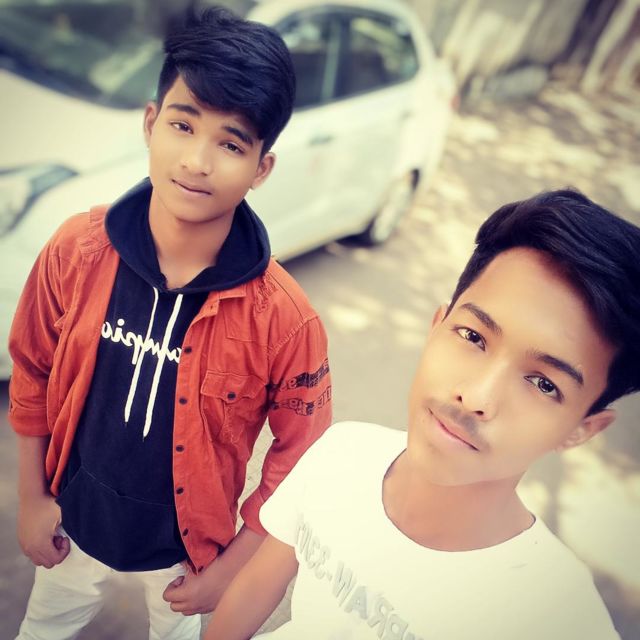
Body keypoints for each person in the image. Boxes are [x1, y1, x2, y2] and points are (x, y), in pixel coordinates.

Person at [8, 7, 332, 640]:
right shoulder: (77, 249)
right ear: (151, 123)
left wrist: (230, 569)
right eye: (183, 125)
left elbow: (302, 457)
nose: (198, 160)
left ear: (261, 168)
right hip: (75, 515)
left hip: (190, 551)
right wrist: (31, 497)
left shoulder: (285, 320)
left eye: (231, 144)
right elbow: (32, 371)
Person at [204, 190, 640, 640]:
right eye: (473, 336)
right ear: (436, 327)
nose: (477, 396)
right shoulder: (341, 450)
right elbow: (255, 587)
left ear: (580, 430)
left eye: (544, 383)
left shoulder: (558, 619)